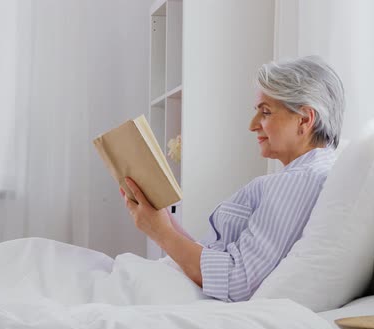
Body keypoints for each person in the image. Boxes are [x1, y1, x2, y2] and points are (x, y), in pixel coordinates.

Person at [120, 55, 345, 302]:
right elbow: (216, 260)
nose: (253, 125)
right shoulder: (305, 174)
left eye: (266, 112)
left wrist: (161, 233)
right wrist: (161, 220)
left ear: (304, 119)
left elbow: (236, 280)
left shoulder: (298, 181)